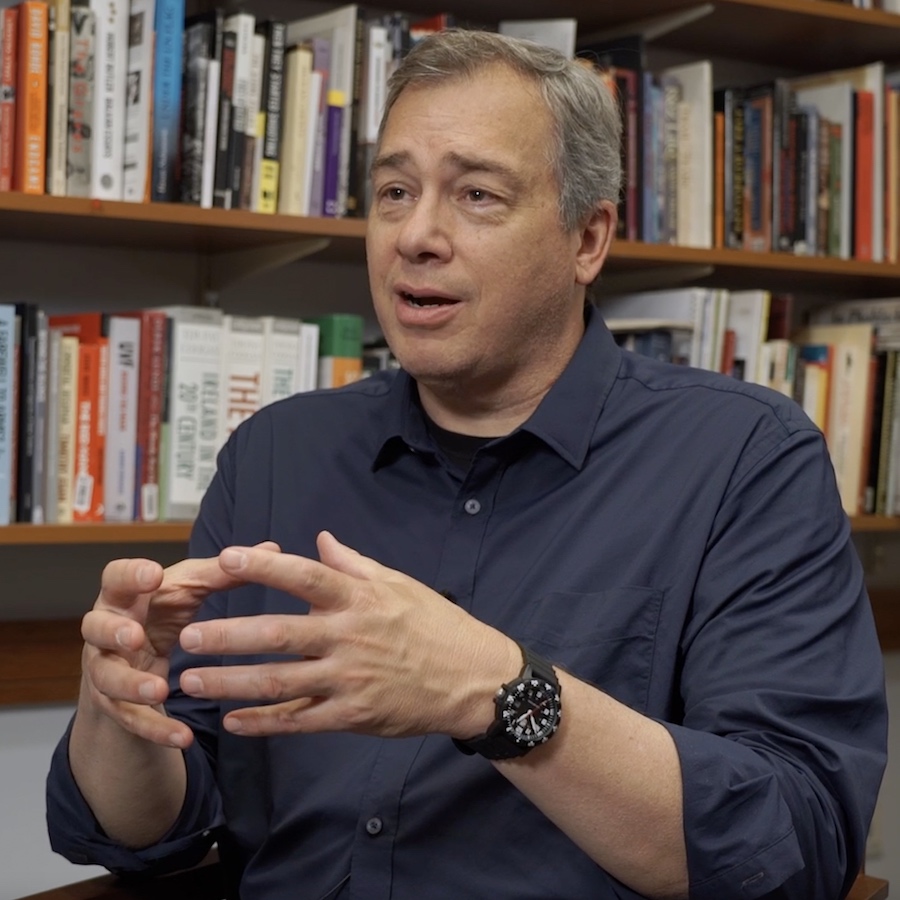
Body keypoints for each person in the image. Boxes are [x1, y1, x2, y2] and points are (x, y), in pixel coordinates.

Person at [47, 29, 887, 900]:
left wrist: (494, 691)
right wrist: (119, 707)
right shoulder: (274, 453)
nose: (416, 235)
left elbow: (797, 842)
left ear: (586, 240)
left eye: (477, 194)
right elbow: (150, 836)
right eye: (394, 191)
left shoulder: (745, 459)